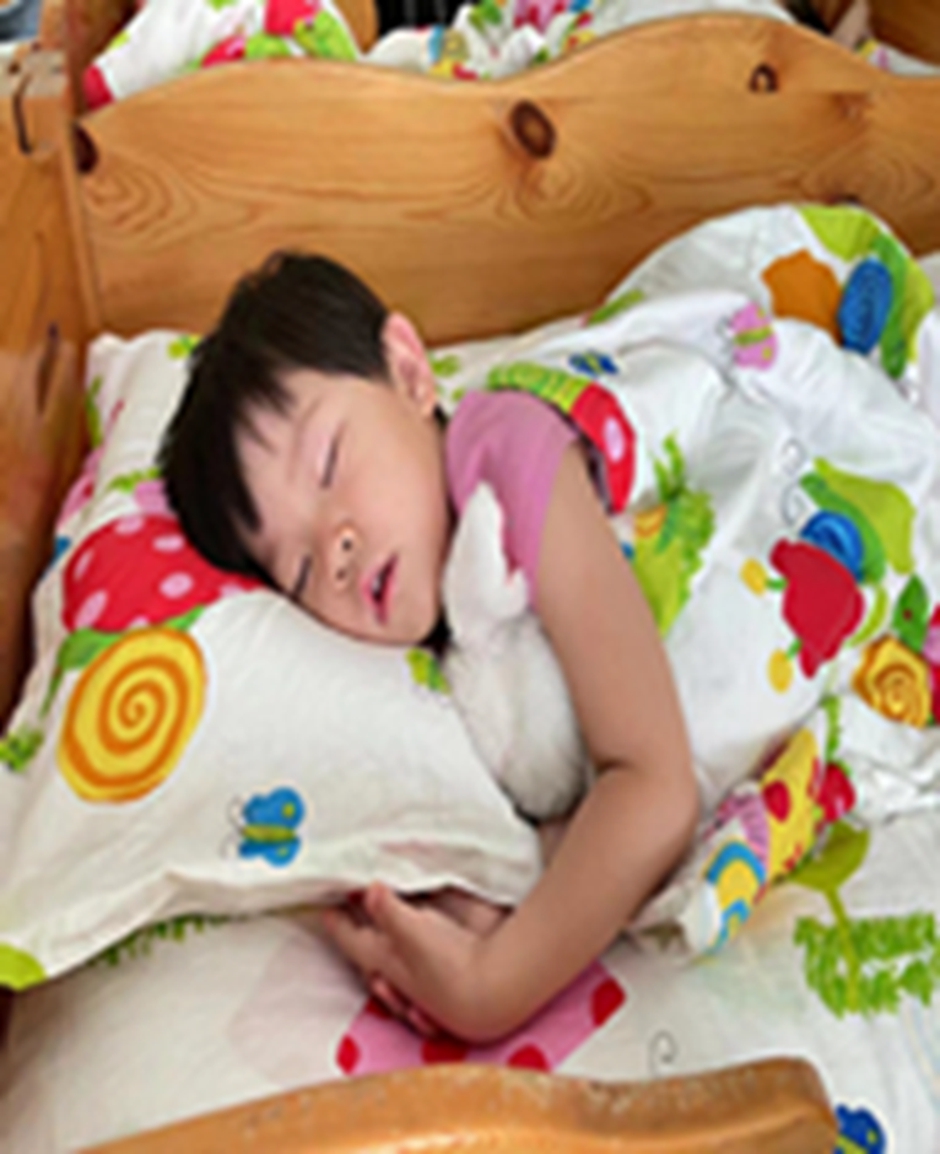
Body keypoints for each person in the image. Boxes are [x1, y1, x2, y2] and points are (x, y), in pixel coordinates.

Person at [160, 252, 699, 1044]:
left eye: (330, 462)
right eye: (300, 569)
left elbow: (656, 788)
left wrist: (493, 983)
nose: (336, 546)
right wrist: (502, 886)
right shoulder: (424, 653)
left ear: (412, 373)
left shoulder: (507, 451)